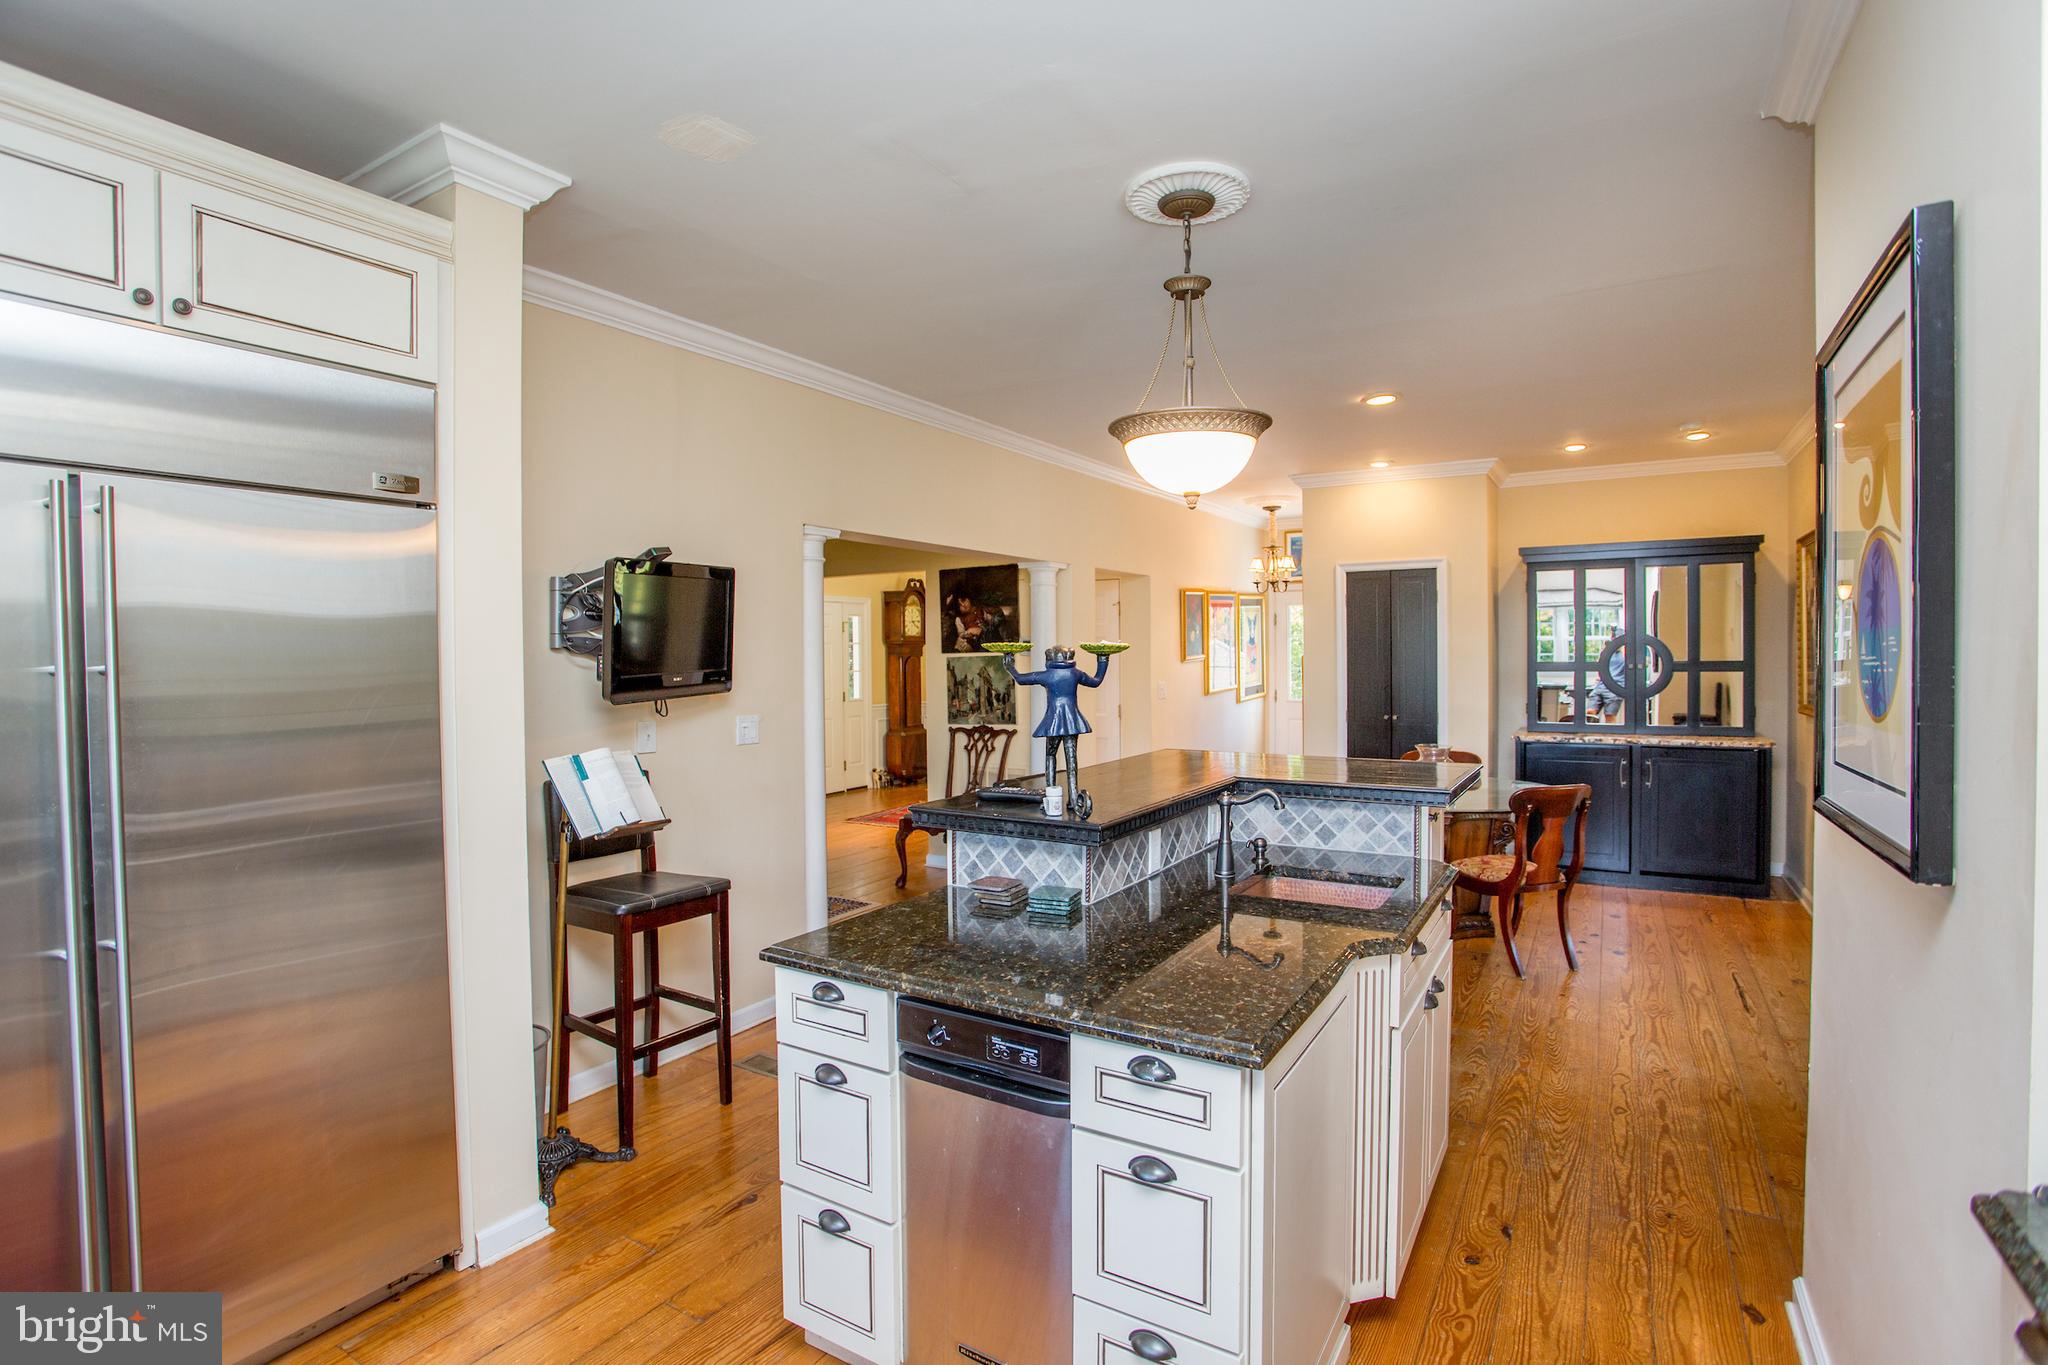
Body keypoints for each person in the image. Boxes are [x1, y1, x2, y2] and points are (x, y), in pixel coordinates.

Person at [1004, 646, 1110, 817]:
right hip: (1072, 721)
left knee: (1050, 755)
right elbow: (1096, 680)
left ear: (1050, 658)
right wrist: (1103, 659)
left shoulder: (1048, 675)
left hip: (1054, 721)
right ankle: (1074, 799)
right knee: (1071, 759)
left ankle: (1051, 798)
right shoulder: (1075, 673)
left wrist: (1009, 665)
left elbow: (1021, 679)